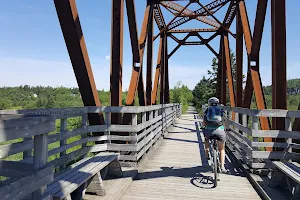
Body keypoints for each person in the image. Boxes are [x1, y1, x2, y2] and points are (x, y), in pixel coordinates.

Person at [202, 97, 227, 174]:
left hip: (209, 132)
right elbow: (224, 120)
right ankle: (222, 167)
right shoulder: (221, 110)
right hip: (220, 131)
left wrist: (204, 127)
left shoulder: (207, 110)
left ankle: (207, 151)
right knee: (221, 149)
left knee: (206, 138)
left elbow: (204, 122)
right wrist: (226, 128)